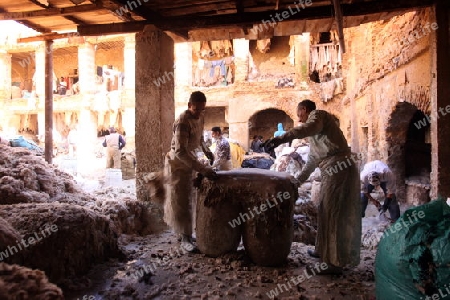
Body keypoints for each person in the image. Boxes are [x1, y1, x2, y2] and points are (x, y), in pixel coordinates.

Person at [263, 99, 361, 274]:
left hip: (340, 167)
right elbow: (311, 162)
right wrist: (297, 182)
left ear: (305, 109)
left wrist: (282, 138)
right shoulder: (316, 137)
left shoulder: (318, 116)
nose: (298, 118)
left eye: (299, 113)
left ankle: (333, 264)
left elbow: (307, 128)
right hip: (331, 170)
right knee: (324, 208)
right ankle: (322, 250)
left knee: (334, 212)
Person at [164, 91, 218, 252]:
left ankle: (186, 233)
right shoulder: (182, 121)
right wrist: (202, 169)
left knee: (191, 198)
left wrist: (207, 151)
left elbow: (200, 139)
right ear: (189, 106)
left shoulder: (200, 117)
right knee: (180, 200)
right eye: (196, 110)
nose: (199, 113)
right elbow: (180, 151)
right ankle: (184, 238)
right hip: (178, 164)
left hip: (191, 161)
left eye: (202, 110)